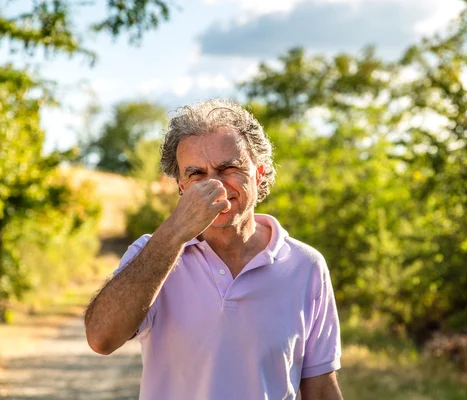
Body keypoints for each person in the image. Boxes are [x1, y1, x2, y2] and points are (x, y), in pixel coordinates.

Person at [84, 99, 343, 400]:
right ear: (181, 186)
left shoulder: (305, 265)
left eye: (228, 168)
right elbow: (101, 339)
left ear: (259, 174)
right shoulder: (151, 253)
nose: (215, 185)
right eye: (196, 174)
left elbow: (321, 387)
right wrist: (176, 231)